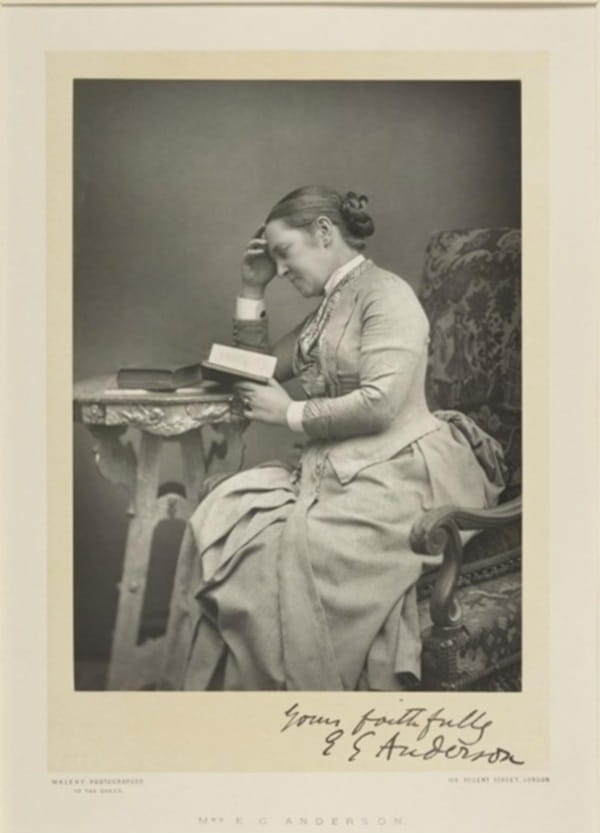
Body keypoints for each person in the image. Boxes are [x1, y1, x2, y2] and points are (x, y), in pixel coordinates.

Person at [164, 185, 506, 692]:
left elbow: (382, 403)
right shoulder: (328, 306)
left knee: (303, 553)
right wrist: (252, 290)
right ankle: (252, 701)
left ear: (324, 232)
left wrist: (290, 413)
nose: (281, 269)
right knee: (224, 520)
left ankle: (306, 701)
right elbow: (260, 369)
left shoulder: (387, 295)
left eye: (285, 254)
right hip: (341, 464)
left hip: (408, 468)